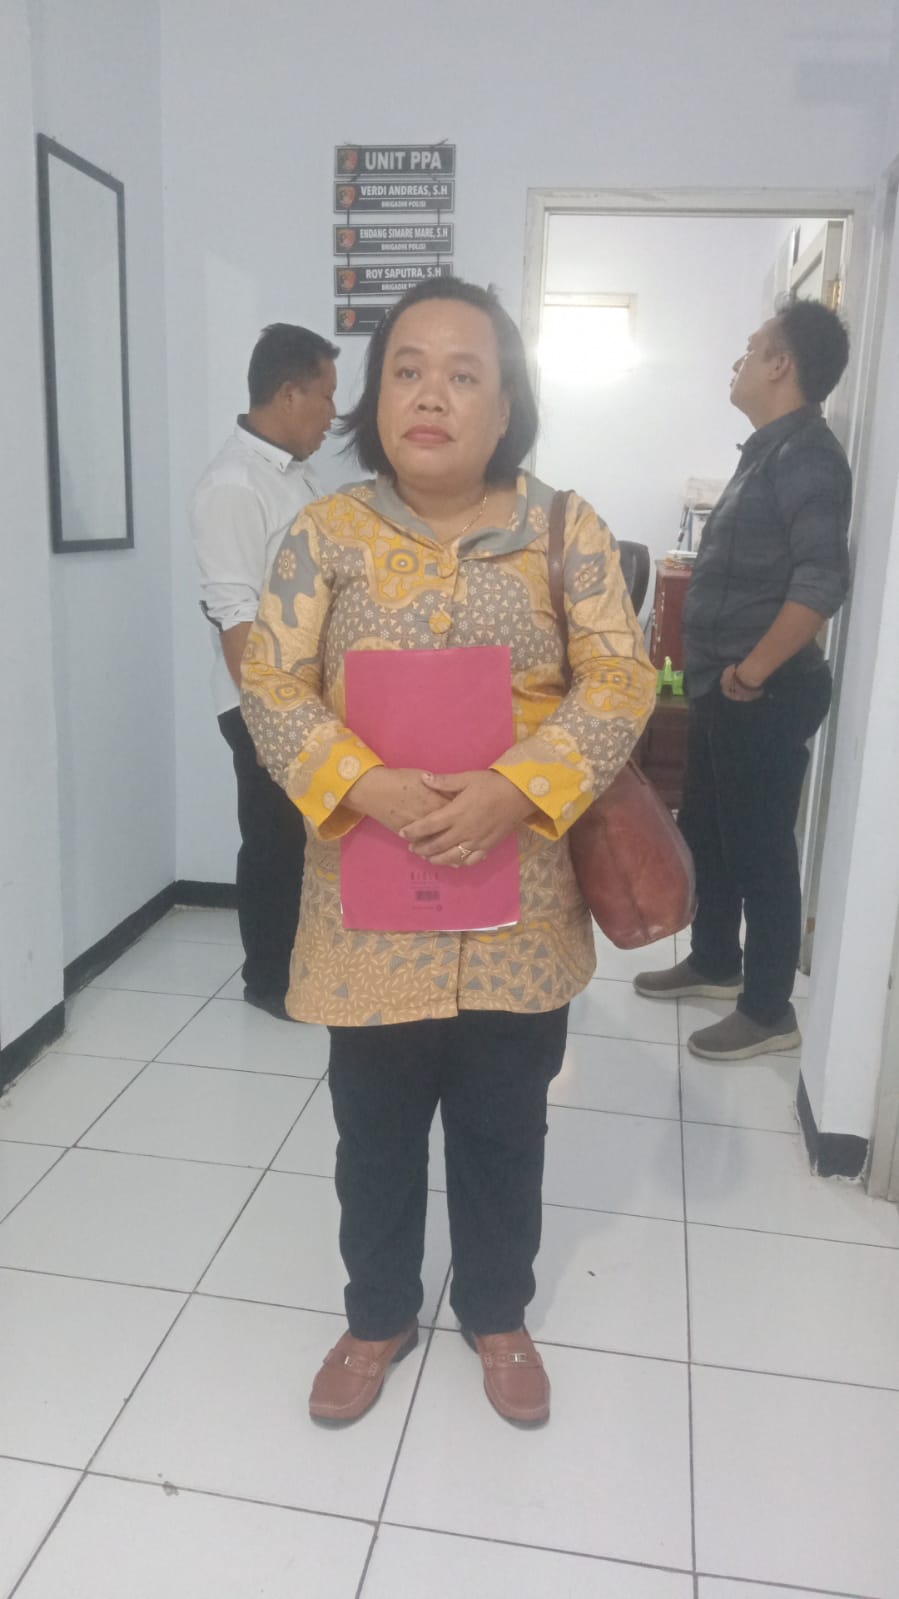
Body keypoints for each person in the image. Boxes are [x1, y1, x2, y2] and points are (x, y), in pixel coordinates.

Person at [241, 277, 656, 1425]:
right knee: (371, 1132)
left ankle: (496, 1312)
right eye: (408, 370)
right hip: (366, 902)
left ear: (505, 404)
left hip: (519, 904)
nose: (430, 396)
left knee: (502, 1127)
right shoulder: (323, 534)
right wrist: (358, 781)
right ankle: (376, 1315)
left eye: (463, 374)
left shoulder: (564, 528)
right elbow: (269, 680)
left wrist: (519, 789)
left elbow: (621, 679)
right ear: (375, 398)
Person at [635, 297, 852, 1061]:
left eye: (750, 348)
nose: (737, 362)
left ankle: (766, 1010)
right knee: (709, 830)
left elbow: (821, 581)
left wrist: (752, 670)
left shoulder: (808, 458)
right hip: (724, 685)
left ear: (780, 364)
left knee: (760, 849)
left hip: (761, 688)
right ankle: (714, 960)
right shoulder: (766, 450)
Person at [191, 323, 339, 1021]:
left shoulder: (291, 473)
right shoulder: (232, 484)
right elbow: (235, 616)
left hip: (303, 697)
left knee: (304, 839)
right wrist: (272, 720)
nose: (332, 413)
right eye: (325, 395)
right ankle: (269, 981)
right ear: (287, 394)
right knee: (275, 841)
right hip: (261, 703)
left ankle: (302, 963)